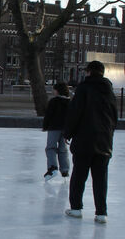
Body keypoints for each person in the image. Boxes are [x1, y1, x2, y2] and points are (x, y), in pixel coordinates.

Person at [63, 61, 117, 224]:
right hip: (103, 141)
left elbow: (75, 112)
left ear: (89, 72)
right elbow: (113, 116)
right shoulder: (109, 91)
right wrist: (108, 134)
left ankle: (76, 208)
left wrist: (68, 133)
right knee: (101, 178)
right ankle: (101, 212)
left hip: (84, 140)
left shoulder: (84, 88)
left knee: (79, 175)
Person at [42, 82, 70, 180]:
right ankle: (65, 170)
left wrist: (45, 126)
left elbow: (48, 115)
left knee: (50, 148)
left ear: (57, 91)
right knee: (63, 149)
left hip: (54, 128)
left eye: (54, 89)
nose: (52, 91)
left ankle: (53, 167)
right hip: (66, 129)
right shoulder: (70, 102)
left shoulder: (53, 102)